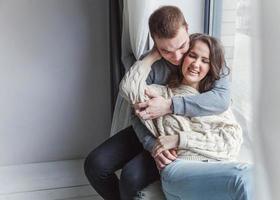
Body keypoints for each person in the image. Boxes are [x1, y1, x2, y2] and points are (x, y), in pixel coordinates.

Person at [84, 6, 230, 200]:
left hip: (178, 132)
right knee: (95, 164)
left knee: (131, 176)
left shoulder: (202, 51)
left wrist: (170, 105)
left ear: (187, 29)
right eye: (166, 51)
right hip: (149, 128)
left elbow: (221, 100)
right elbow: (136, 110)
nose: (177, 57)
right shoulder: (150, 64)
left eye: (181, 47)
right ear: (155, 43)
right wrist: (151, 144)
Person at [120, 33, 253, 200]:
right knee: (245, 177)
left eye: (205, 61)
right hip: (179, 169)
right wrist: (155, 53)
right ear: (183, 57)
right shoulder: (161, 94)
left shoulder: (212, 102)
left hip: (217, 168)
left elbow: (231, 141)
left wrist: (179, 139)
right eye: (192, 56)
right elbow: (128, 87)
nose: (196, 64)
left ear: (210, 67)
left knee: (254, 177)